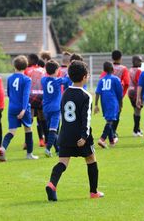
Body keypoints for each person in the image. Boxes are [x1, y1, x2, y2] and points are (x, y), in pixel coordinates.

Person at [45, 60, 104, 201]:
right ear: (84, 77)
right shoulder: (86, 96)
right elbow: (86, 118)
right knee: (91, 160)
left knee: (62, 163)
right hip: (80, 137)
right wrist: (84, 136)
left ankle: (51, 184)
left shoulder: (65, 93)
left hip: (65, 134)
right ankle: (93, 192)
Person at [0, 55, 39, 161]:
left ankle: (3, 148)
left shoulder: (10, 78)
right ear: (25, 67)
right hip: (23, 108)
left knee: (11, 131)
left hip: (12, 107)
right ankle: (29, 154)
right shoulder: (26, 79)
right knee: (28, 129)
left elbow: (9, 93)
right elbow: (26, 95)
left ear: (14, 66)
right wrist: (24, 109)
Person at [100, 50, 129, 138]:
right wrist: (122, 95)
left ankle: (111, 134)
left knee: (109, 116)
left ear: (112, 58)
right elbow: (126, 83)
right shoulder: (123, 69)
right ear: (120, 57)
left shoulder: (107, 67)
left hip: (107, 96)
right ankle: (112, 133)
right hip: (117, 96)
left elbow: (101, 79)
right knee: (116, 115)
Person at [41, 60, 66, 157]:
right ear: (56, 70)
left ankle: (58, 149)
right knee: (53, 130)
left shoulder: (43, 80)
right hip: (56, 108)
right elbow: (67, 79)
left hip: (46, 108)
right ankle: (48, 149)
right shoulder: (58, 80)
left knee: (51, 130)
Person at [95, 62, 123, 148]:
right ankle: (102, 139)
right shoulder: (116, 79)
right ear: (113, 69)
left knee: (109, 120)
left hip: (104, 102)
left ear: (104, 70)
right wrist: (120, 104)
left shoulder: (101, 80)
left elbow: (97, 93)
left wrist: (96, 104)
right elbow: (120, 94)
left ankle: (111, 141)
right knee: (110, 121)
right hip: (112, 102)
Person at [24, 53, 47, 147]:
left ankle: (27, 143)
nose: (27, 61)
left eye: (28, 59)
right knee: (43, 119)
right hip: (42, 98)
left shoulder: (27, 70)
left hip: (31, 98)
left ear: (32, 60)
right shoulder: (43, 70)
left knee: (29, 120)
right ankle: (47, 141)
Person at [128, 55, 143, 137]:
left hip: (130, 91)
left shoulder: (129, 70)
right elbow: (139, 83)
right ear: (134, 61)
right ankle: (135, 130)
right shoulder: (138, 71)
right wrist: (140, 96)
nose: (141, 62)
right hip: (136, 92)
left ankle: (138, 129)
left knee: (136, 110)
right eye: (139, 61)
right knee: (138, 110)